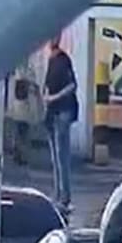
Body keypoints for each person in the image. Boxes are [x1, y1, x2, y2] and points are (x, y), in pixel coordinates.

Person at [43, 35, 79, 214]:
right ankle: (58, 195)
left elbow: (72, 85)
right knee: (56, 157)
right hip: (52, 112)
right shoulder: (50, 60)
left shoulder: (63, 60)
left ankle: (64, 197)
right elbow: (48, 86)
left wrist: (53, 98)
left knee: (61, 156)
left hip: (63, 111)